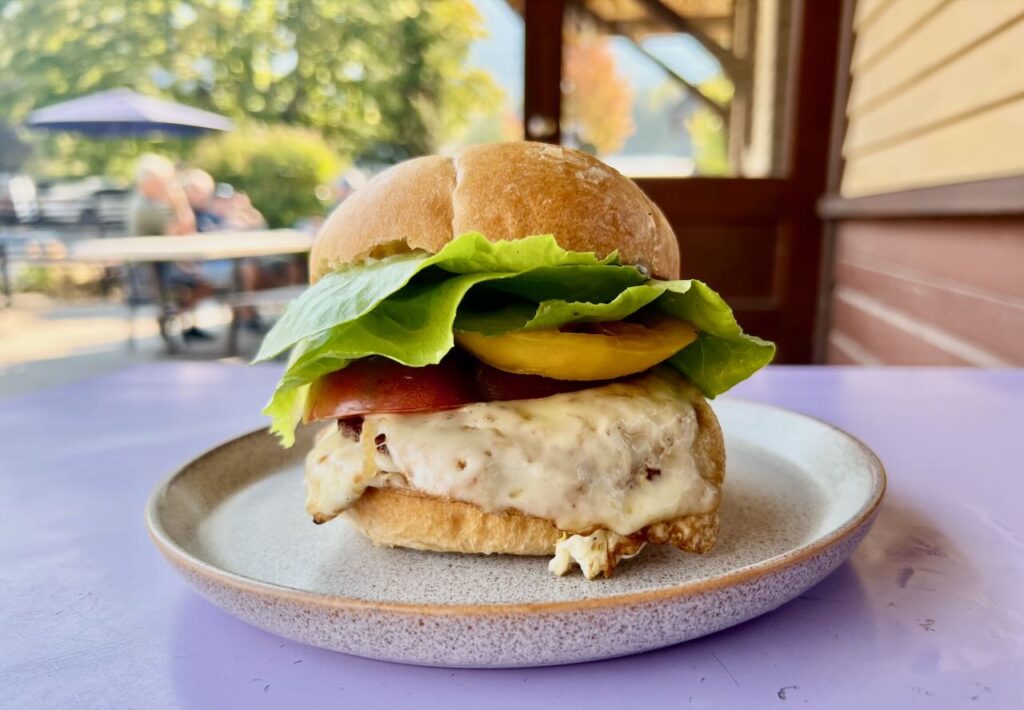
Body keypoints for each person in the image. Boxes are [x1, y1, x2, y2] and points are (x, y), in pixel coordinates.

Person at [126, 154, 213, 342]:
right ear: (148, 182)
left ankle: (180, 320)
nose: (167, 185)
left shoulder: (149, 202)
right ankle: (174, 318)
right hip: (150, 271)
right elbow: (182, 230)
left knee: (204, 277)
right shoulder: (146, 206)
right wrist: (179, 201)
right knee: (207, 279)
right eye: (163, 181)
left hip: (160, 265)